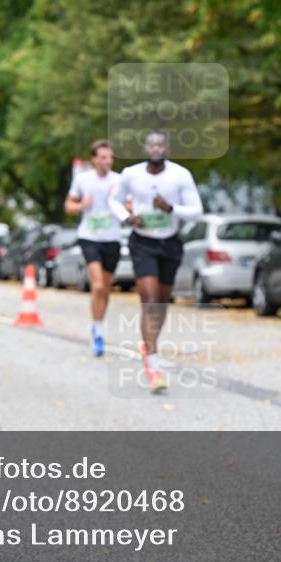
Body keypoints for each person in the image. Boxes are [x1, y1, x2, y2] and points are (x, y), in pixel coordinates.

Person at [109, 131, 203, 392]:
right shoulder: (130, 173)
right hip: (142, 242)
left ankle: (148, 343)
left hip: (170, 243)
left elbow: (197, 211)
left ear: (167, 148)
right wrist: (128, 218)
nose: (156, 148)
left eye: (160, 144)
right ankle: (153, 362)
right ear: (145, 147)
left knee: (161, 304)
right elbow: (113, 202)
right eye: (151, 144)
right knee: (149, 301)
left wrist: (171, 208)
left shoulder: (180, 175)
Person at [64, 140, 123, 357]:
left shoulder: (119, 180)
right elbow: (68, 206)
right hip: (89, 236)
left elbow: (130, 207)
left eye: (111, 157)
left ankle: (98, 324)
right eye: (104, 157)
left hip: (112, 237)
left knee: (105, 288)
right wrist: (82, 205)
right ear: (94, 159)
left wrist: (116, 201)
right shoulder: (82, 179)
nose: (108, 161)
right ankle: (98, 332)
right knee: (97, 285)